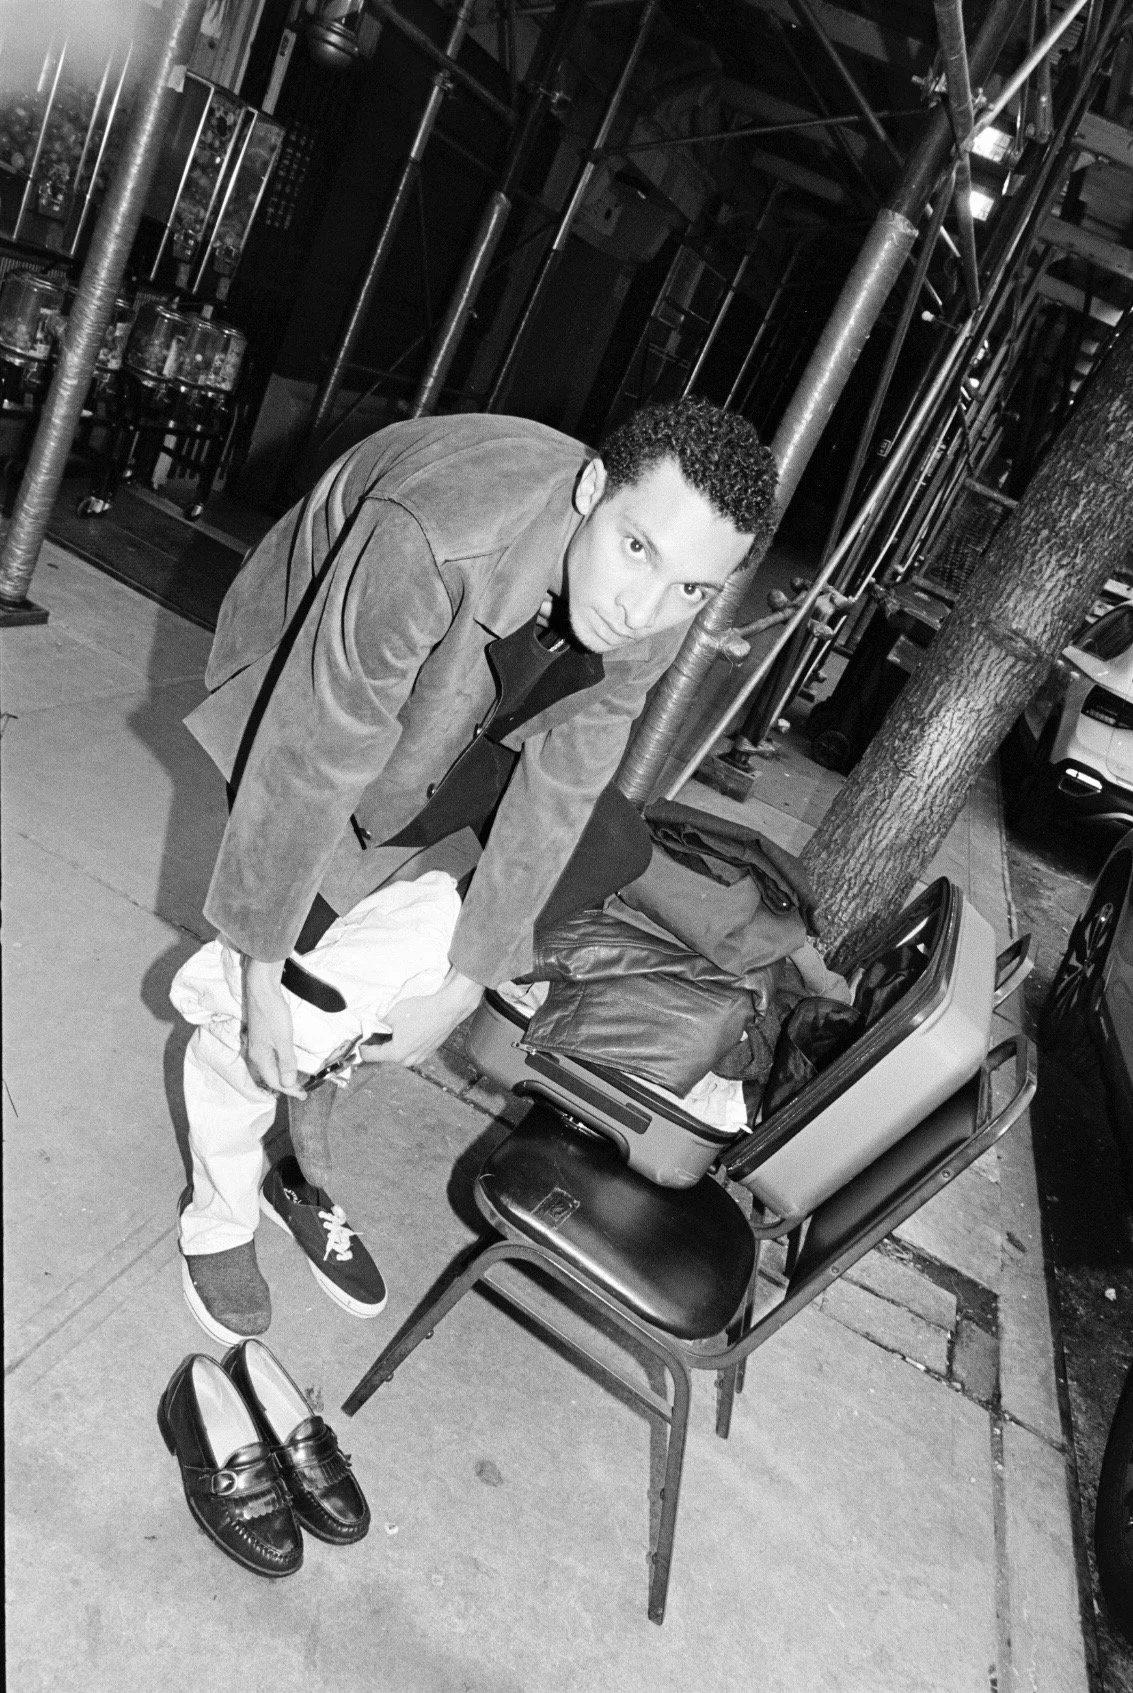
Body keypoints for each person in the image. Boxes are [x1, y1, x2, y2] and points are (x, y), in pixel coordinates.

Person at [174, 399, 778, 1344]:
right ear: (591, 491)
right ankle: (220, 1206)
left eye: (691, 589)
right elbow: (320, 749)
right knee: (278, 970)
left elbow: (567, 776)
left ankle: (301, 1117)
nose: (644, 607)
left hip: (476, 694)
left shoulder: (655, 601)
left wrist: (461, 985)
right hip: (318, 656)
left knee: (599, 846)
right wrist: (256, 967)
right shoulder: (433, 534)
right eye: (635, 550)